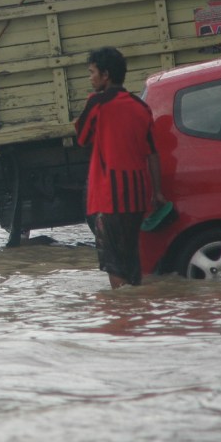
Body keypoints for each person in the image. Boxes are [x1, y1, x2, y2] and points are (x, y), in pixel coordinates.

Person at [75, 47, 165, 289]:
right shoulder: (141, 106)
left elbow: (82, 137)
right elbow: (152, 153)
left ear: (105, 75)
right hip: (138, 197)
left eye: (92, 72)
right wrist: (157, 192)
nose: (90, 78)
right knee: (131, 261)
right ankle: (136, 308)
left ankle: (122, 311)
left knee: (114, 265)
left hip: (109, 198)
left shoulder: (97, 103)